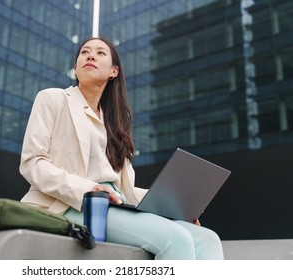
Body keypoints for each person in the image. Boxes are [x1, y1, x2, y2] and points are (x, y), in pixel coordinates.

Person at [19, 37, 224, 260]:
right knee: (176, 238)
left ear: (113, 71)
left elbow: (124, 191)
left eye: (100, 53)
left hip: (115, 205)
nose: (90, 56)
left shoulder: (116, 122)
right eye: (85, 52)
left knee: (208, 238)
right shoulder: (53, 98)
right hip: (70, 204)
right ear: (76, 67)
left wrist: (177, 208)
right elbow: (33, 163)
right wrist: (90, 188)